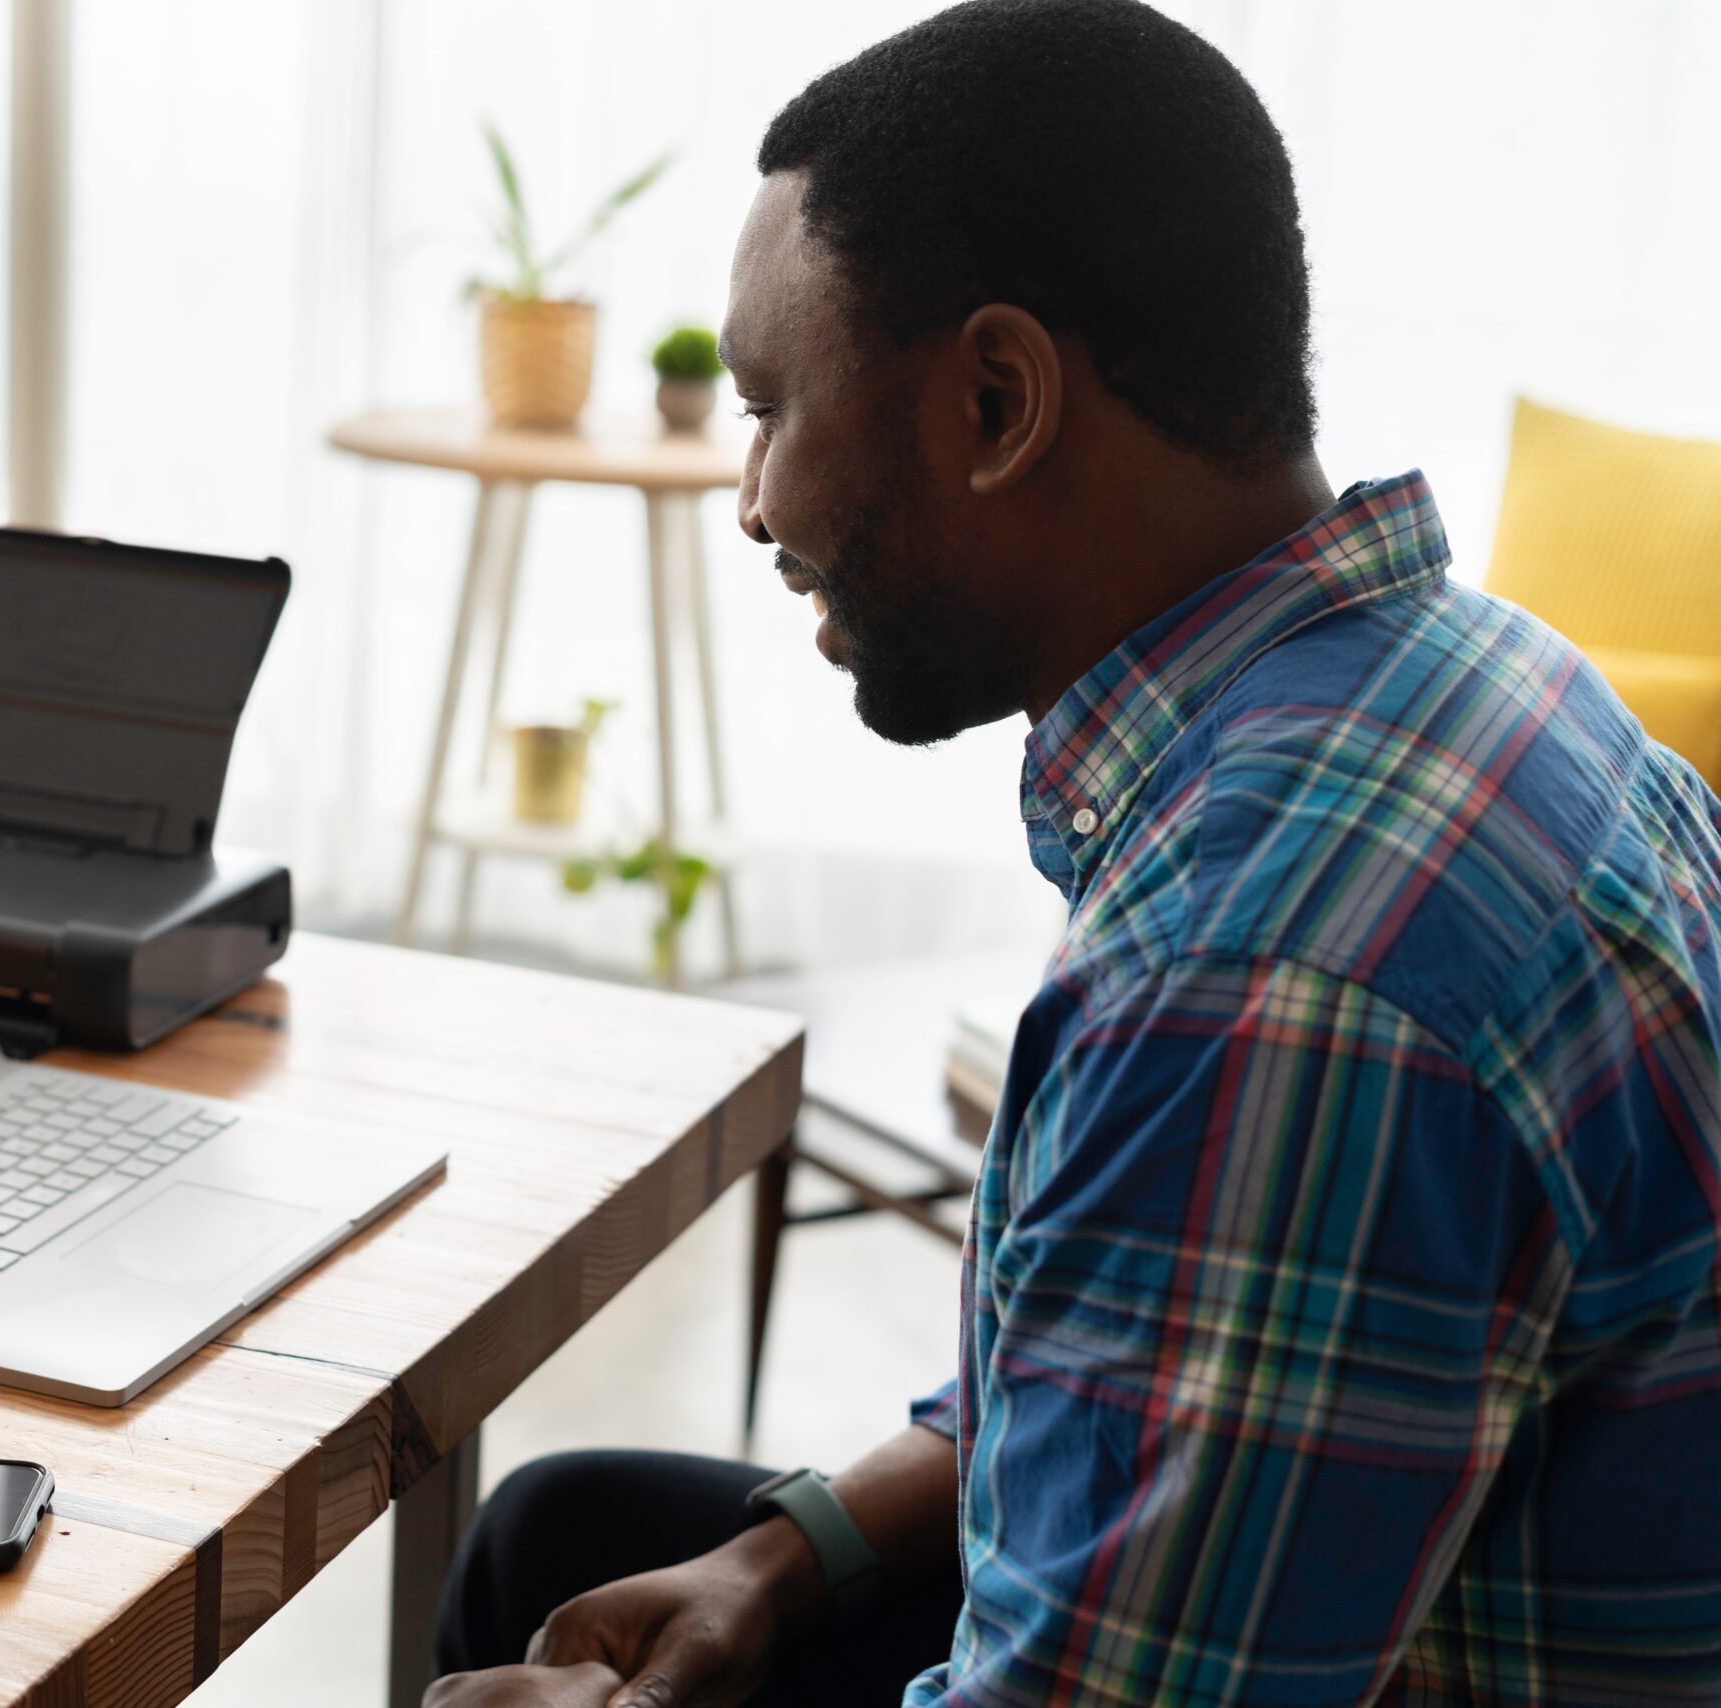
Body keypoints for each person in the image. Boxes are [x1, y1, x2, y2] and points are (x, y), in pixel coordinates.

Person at [426, 2, 1721, 1705]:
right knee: (566, 1532)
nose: (752, 498)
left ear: (995, 399)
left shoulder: (1264, 971)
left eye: (771, 406)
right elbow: (1153, 1370)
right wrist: (782, 1551)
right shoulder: (1472, 682)